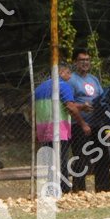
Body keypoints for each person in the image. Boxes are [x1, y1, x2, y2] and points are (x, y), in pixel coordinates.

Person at [34, 63, 91, 194]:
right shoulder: (63, 86)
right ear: (61, 72)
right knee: (61, 160)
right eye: (68, 73)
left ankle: (51, 188)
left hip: (43, 129)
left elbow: (58, 103)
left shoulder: (39, 88)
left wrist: (81, 106)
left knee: (50, 161)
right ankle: (63, 188)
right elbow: (70, 107)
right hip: (58, 129)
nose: (70, 76)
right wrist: (83, 124)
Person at [67, 49, 110, 192]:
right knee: (81, 158)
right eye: (82, 60)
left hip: (97, 124)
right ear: (75, 62)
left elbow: (102, 98)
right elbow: (68, 104)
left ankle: (103, 189)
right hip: (79, 125)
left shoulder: (94, 79)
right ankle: (79, 190)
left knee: (102, 156)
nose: (85, 62)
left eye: (87, 60)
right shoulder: (71, 80)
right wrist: (82, 109)